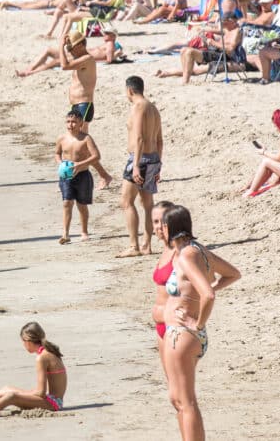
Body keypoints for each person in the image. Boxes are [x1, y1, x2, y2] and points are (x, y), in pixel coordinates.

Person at [160, 205, 240, 441]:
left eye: (161, 226)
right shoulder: (198, 250)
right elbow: (233, 274)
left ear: (170, 227)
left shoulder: (186, 256)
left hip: (183, 334)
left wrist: (198, 322)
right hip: (185, 335)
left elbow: (208, 294)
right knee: (178, 399)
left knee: (185, 401)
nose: (159, 231)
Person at [119, 76, 164, 257]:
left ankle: (134, 246)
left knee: (126, 201)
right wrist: (158, 165)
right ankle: (147, 245)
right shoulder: (153, 108)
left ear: (129, 90)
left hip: (140, 159)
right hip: (153, 159)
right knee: (147, 204)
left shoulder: (138, 107)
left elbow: (138, 138)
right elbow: (160, 141)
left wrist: (135, 165)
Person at [55, 109, 101, 244]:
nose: (70, 125)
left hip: (83, 175)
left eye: (74, 122)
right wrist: (60, 163)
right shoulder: (62, 138)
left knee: (82, 205)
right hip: (66, 175)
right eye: (68, 122)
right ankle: (65, 233)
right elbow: (57, 153)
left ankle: (84, 231)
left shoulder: (86, 138)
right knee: (66, 203)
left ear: (81, 123)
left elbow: (96, 156)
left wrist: (80, 164)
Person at [149, 201, 178, 359]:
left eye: (164, 221)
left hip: (176, 327)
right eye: (155, 222)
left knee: (179, 383)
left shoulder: (183, 251)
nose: (159, 226)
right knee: (171, 382)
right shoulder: (166, 249)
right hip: (161, 326)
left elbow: (205, 286)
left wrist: (196, 317)